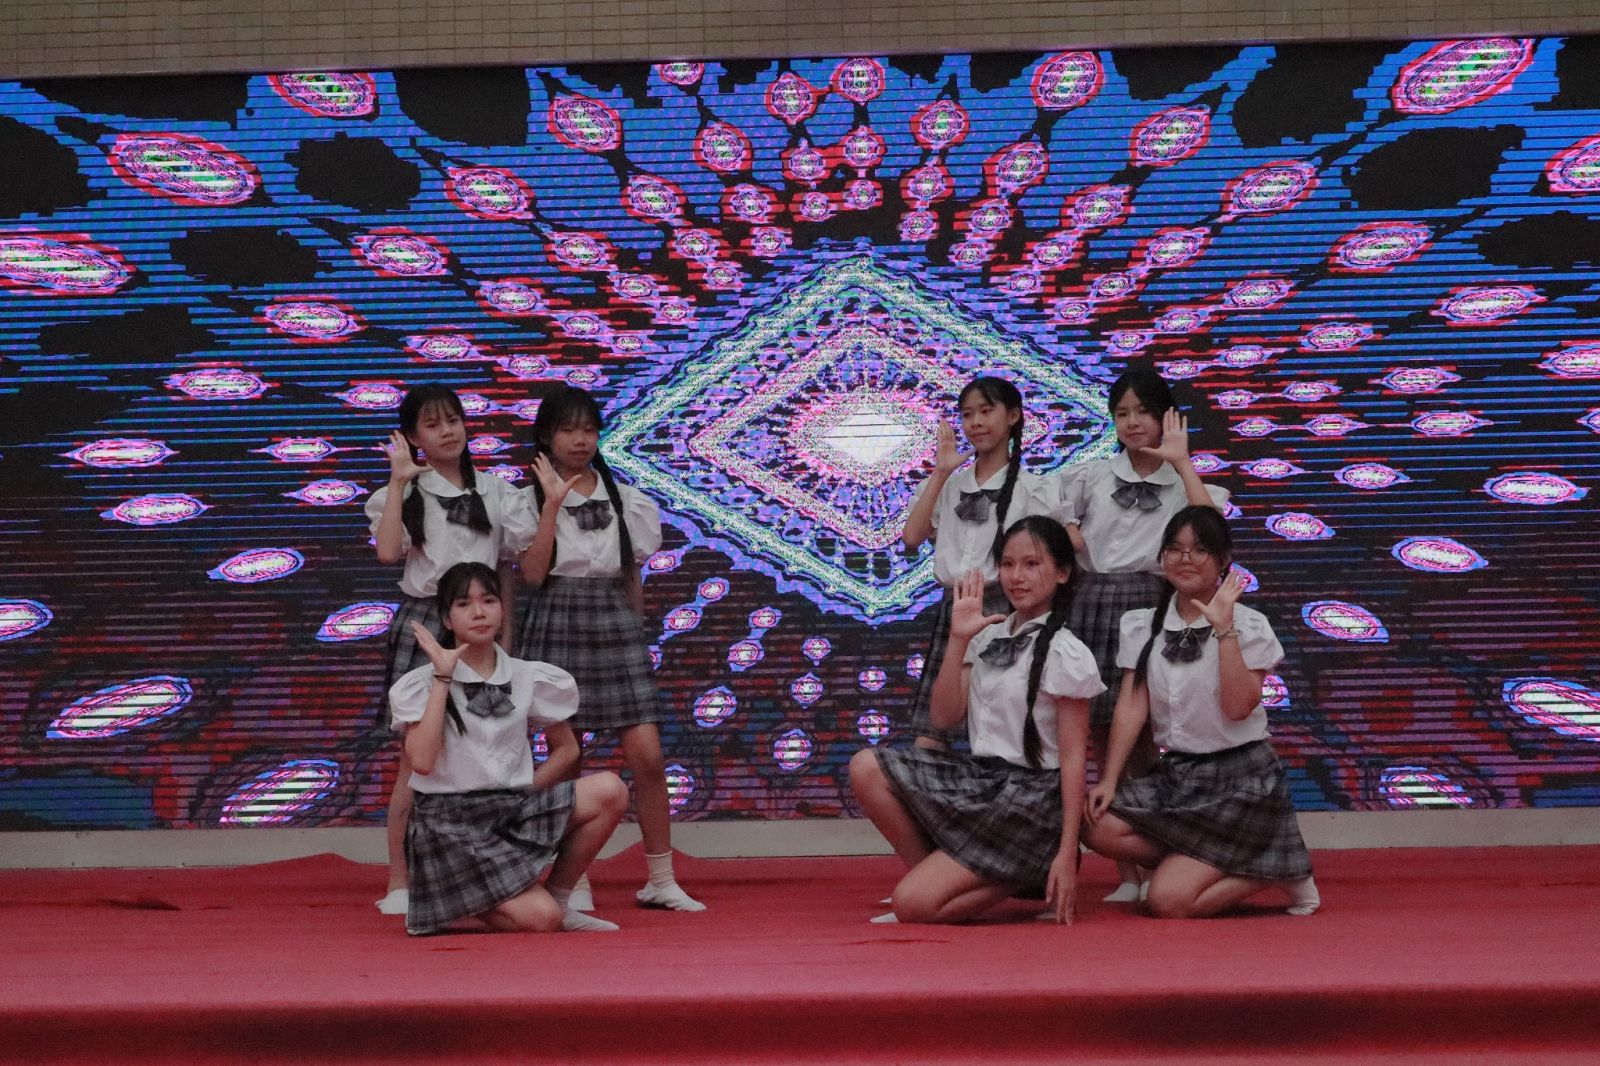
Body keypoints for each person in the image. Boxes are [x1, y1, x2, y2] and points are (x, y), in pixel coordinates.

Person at [851, 517, 1103, 924]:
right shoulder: (987, 635)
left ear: (1062, 572)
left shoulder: (1067, 652)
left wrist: (1066, 850)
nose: (1016, 577)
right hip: (982, 783)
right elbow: (943, 717)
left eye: (1031, 564)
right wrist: (958, 639)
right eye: (1007, 564)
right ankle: (946, 877)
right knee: (866, 766)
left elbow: (1074, 759)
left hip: (1032, 802)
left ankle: (1031, 865)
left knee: (912, 905)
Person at [1083, 505, 1320, 919]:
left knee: (1167, 902)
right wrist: (1109, 778)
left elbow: (1238, 707)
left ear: (1223, 559)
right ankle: (1232, 861)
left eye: (1199, 550)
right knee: (1092, 821)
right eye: (1175, 549)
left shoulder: (1250, 624)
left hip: (1241, 779)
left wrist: (1225, 630)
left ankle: (1277, 869)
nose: (1185, 559)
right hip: (1178, 775)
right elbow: (1132, 704)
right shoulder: (1142, 624)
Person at [518, 385, 704, 912]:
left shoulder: (625, 498)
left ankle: (661, 877)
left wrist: (636, 633)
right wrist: (552, 506)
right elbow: (531, 575)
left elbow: (631, 574)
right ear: (546, 436)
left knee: (648, 755)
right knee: (567, 756)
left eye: (589, 429)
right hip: (558, 613)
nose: (580, 440)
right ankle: (572, 879)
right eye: (568, 430)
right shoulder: (525, 498)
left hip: (614, 621)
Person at [1052, 366, 1227, 902]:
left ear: (1166, 418)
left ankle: (1163, 858)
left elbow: (1210, 526)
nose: (1132, 423)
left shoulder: (1181, 482)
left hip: (1155, 604)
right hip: (1095, 603)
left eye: (1143, 412)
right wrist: (1077, 538)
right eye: (1122, 413)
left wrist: (1181, 461)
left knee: (1146, 734)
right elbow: (1053, 513)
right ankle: (1129, 873)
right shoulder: (1093, 476)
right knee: (1102, 733)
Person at [367, 384, 535, 915]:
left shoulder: (496, 491)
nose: (448, 431)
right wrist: (399, 481)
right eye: (433, 424)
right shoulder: (406, 492)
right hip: (426, 624)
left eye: (454, 420)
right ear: (413, 437)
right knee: (416, 762)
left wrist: (505, 638)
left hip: (481, 627)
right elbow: (387, 552)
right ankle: (400, 880)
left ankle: (487, 873)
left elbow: (506, 570)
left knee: (488, 749)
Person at [391, 562, 628, 935]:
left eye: (489, 600)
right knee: (541, 920)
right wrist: (442, 677)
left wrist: (526, 790)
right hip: (449, 826)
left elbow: (567, 750)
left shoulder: (527, 675)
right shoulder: (420, 683)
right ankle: (465, 897)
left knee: (610, 789)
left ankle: (559, 899)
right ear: (447, 619)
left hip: (509, 810)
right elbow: (420, 762)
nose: (479, 612)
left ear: (502, 609)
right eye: (464, 604)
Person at [901, 376, 1048, 750]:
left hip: (1006, 609)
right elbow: (912, 537)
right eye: (968, 415)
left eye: (986, 411)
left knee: (997, 726)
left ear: (1013, 416)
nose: (976, 423)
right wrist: (941, 472)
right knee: (932, 732)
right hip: (955, 608)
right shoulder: (949, 484)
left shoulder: (1034, 489)